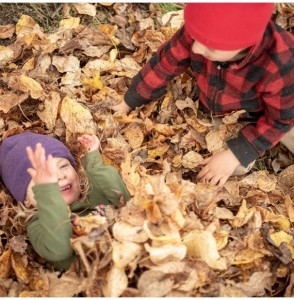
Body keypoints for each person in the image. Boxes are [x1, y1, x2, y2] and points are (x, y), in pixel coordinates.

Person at [111, 3, 294, 187]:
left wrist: (234, 155)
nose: (197, 49)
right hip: (228, 112)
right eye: (195, 38)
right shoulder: (202, 29)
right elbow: (166, 62)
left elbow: (280, 120)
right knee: (219, 166)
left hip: (273, 110)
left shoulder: (282, 64)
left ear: (246, 45)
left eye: (210, 48)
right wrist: (130, 101)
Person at [0, 131, 131, 271]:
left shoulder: (93, 194)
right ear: (26, 200)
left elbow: (125, 200)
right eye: (44, 177)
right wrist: (48, 192)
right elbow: (60, 249)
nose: (59, 176)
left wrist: (94, 165)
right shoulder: (38, 225)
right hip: (99, 276)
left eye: (63, 166)